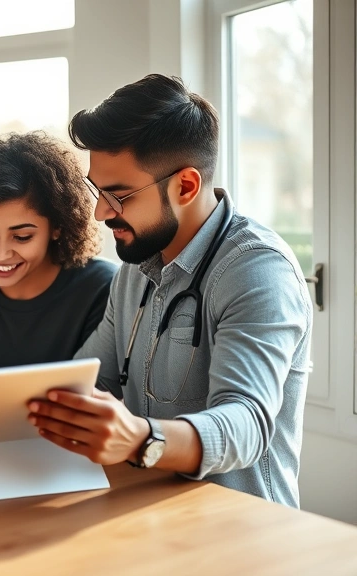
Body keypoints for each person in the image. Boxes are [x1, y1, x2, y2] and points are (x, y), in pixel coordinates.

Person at [27, 74, 312, 507]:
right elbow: (83, 383)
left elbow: (247, 424)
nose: (102, 211)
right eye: (98, 190)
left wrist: (141, 439)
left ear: (186, 186)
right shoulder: (136, 267)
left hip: (245, 535)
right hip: (151, 516)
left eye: (118, 195)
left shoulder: (258, 270)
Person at [0, 131, 117, 436]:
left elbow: (103, 396)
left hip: (63, 451)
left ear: (56, 228)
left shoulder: (100, 287)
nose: (0, 253)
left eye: (22, 236)